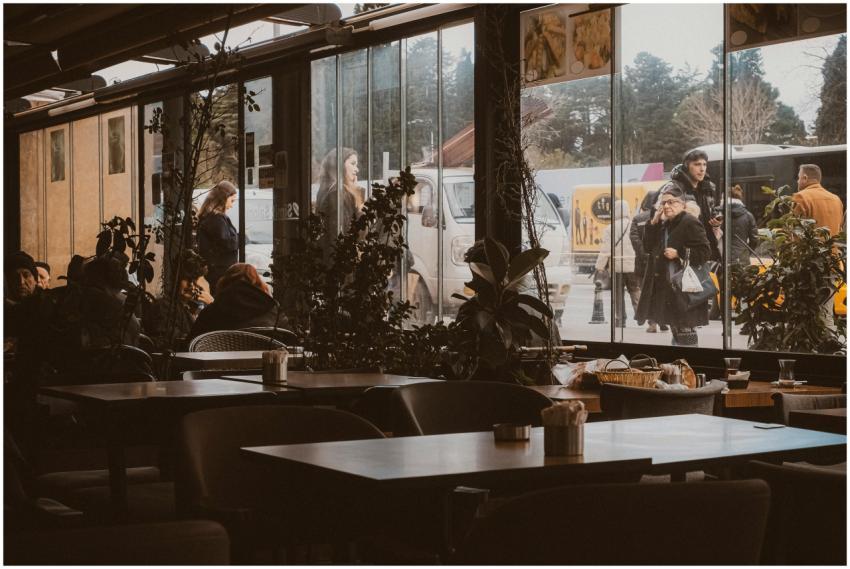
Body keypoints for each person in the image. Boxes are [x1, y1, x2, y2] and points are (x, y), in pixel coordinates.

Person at [635, 187, 711, 347]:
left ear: (682, 204)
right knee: (677, 331)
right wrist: (653, 223)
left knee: (686, 333)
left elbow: (705, 252)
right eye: (663, 203)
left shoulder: (689, 222)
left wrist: (679, 253)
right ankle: (681, 361)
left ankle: (689, 361)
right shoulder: (666, 224)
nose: (666, 206)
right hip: (670, 287)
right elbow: (648, 248)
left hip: (684, 288)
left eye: (671, 202)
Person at [189, 263, 286, 339]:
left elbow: (191, 344)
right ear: (259, 284)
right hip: (262, 358)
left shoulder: (212, 312)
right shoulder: (273, 310)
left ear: (224, 283)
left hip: (222, 359)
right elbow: (289, 340)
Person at [143, 252, 212, 351]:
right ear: (175, 279)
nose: (191, 285)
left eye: (194, 281)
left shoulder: (190, 308)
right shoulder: (163, 306)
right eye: (187, 279)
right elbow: (171, 341)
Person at [662, 149, 721, 260]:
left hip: (704, 252)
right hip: (681, 255)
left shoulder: (706, 189)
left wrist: (715, 225)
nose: (702, 169)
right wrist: (679, 253)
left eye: (704, 164)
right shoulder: (675, 188)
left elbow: (707, 220)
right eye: (697, 164)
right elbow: (662, 222)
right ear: (687, 166)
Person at [594, 200, 640, 328]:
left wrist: (600, 266)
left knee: (618, 294)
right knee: (635, 290)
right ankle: (640, 314)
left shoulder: (610, 228)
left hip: (617, 267)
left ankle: (620, 320)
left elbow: (605, 250)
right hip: (632, 265)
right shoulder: (633, 225)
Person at [315, 148, 365, 261]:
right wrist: (358, 201)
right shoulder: (338, 194)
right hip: (340, 260)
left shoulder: (329, 191)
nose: (357, 169)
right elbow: (350, 233)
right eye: (352, 163)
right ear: (339, 166)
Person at [630, 191, 668, 334]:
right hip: (659, 260)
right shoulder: (663, 216)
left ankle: (652, 323)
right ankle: (662, 321)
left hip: (642, 262)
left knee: (647, 293)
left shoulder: (637, 218)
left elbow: (634, 239)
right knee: (660, 292)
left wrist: (644, 254)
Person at [197, 180, 239, 295]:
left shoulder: (209, 217)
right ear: (223, 199)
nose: (232, 205)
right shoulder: (216, 219)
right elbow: (227, 244)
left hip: (215, 270)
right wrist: (241, 237)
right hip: (220, 272)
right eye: (231, 200)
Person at [791, 164, 844, 237]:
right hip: (833, 244)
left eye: (798, 178)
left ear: (805, 178)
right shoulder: (836, 200)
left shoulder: (801, 197)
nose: (797, 181)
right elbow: (840, 229)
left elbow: (795, 233)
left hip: (810, 245)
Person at [728, 185, 758, 266]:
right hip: (742, 258)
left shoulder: (720, 213)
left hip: (723, 258)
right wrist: (746, 253)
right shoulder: (748, 215)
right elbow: (754, 240)